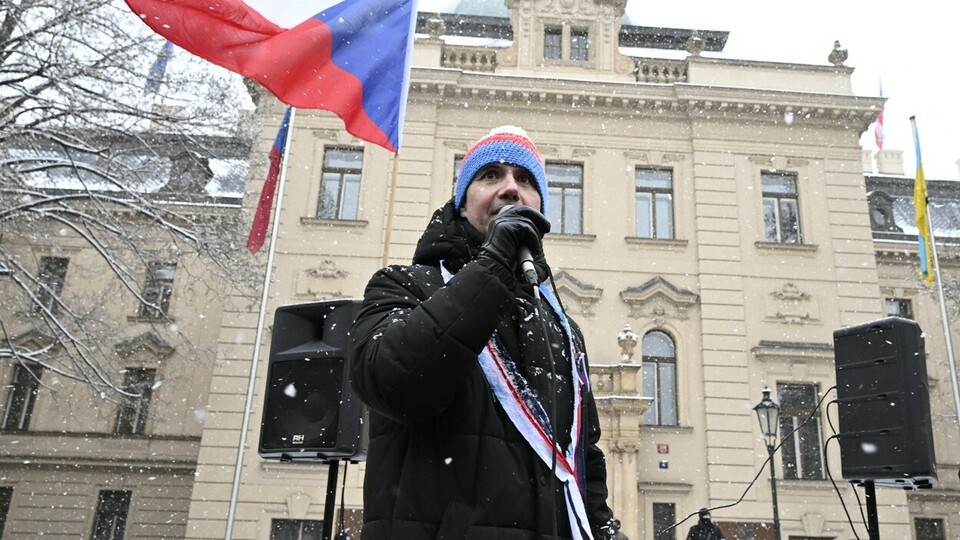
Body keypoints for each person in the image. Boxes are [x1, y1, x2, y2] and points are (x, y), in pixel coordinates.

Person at [349, 126, 622, 539]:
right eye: (491, 175)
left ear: (540, 206)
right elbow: (391, 382)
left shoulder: (562, 327)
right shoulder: (404, 285)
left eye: (525, 179)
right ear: (461, 205)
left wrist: (602, 529)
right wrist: (493, 264)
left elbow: (582, 457)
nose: (511, 189)